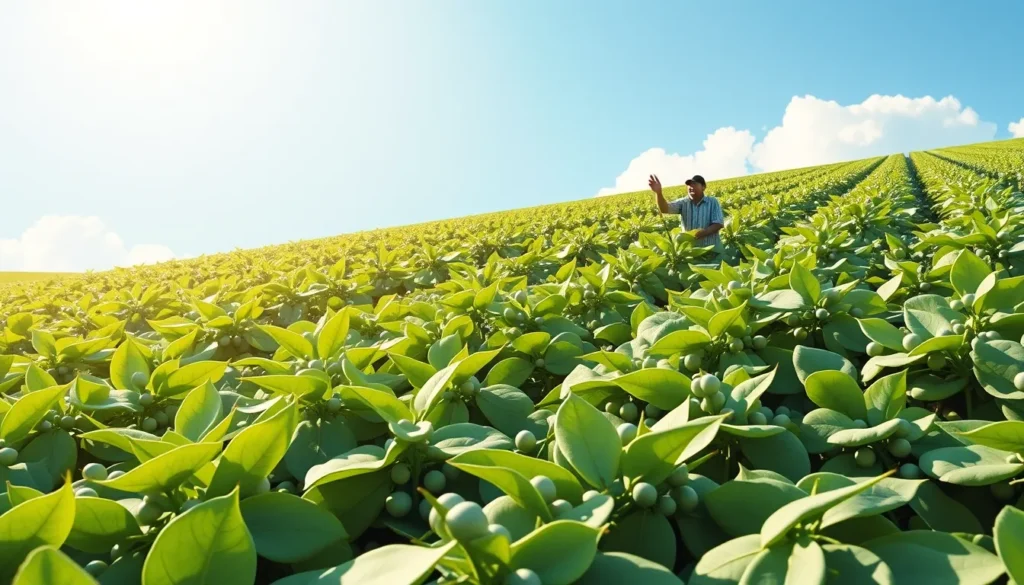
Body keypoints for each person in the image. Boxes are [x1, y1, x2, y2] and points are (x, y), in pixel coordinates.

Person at [648, 173, 725, 251]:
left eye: (694, 184)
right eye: (689, 185)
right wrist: (658, 193)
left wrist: (699, 234)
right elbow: (664, 209)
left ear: (703, 187)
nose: (691, 187)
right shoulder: (683, 203)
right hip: (691, 252)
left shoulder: (712, 201)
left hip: (712, 250)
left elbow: (718, 224)